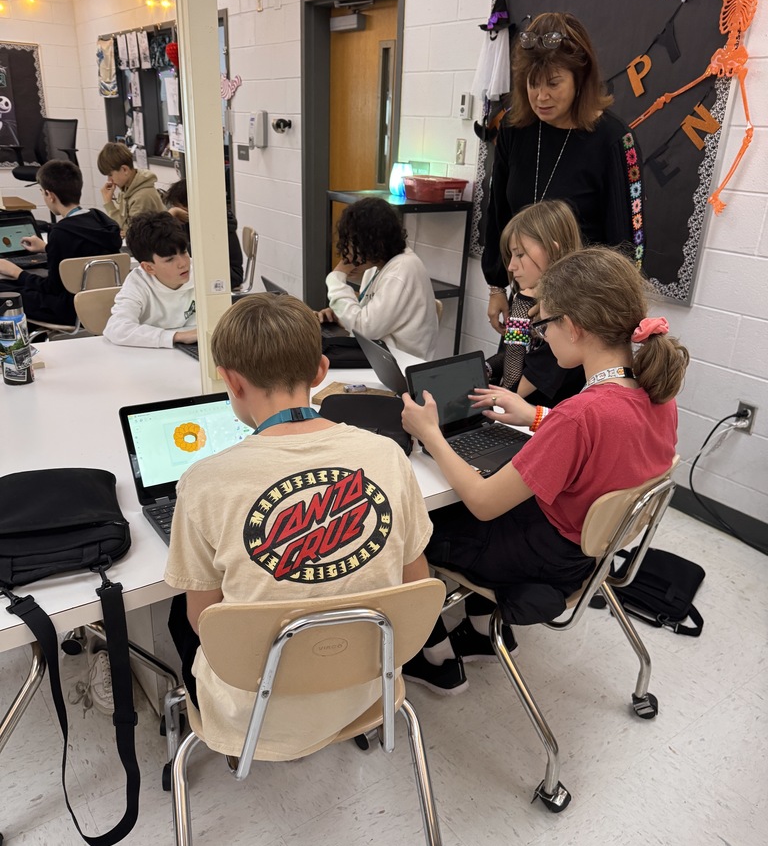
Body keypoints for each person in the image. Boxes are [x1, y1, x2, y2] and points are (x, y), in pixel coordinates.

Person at [400, 247, 688, 694]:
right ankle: (480, 632)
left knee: (413, 521)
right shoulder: (655, 392)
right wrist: (534, 416)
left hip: (544, 559)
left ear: (573, 327)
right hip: (587, 553)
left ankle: (432, 653)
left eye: (545, 324)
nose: (543, 335)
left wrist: (432, 434)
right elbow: (608, 438)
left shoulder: (580, 415)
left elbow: (482, 502)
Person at [164, 293, 433, 761]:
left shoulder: (203, 482)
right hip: (369, 689)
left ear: (230, 379)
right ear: (321, 372)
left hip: (252, 713)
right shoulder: (388, 456)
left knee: (176, 610)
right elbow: (416, 585)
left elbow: (202, 624)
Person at [483, 12, 645, 336]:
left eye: (553, 84)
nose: (541, 96)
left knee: (555, 385)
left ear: (580, 79)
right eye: (532, 83)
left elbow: (628, 245)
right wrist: (497, 285)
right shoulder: (516, 129)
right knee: (510, 379)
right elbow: (498, 211)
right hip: (524, 296)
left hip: (582, 313)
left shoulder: (614, 140)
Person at [486, 199, 584, 406]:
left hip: (538, 425)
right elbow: (515, 356)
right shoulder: (534, 298)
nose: (511, 266)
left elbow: (513, 387)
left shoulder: (564, 321)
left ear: (553, 251)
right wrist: (484, 369)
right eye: (510, 255)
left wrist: (521, 307)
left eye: (520, 255)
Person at [0, 159, 121, 326]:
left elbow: (52, 288)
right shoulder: (102, 221)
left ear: (50, 195)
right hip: (106, 303)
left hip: (69, 310)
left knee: (6, 290)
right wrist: (47, 248)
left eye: (42, 192)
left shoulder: (61, 232)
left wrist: (16, 273)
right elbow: (83, 250)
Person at [320, 196, 439, 359]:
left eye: (352, 242)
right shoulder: (376, 268)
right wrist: (340, 315)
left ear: (374, 242)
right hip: (382, 357)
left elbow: (364, 329)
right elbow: (365, 317)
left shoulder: (401, 271)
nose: (347, 251)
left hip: (404, 366)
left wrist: (336, 276)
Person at [103, 212, 196, 348]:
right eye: (170, 259)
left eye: (184, 252)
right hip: (149, 356)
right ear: (148, 268)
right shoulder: (138, 283)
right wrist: (177, 337)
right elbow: (117, 328)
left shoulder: (200, 273)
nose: (183, 263)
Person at [162, 178, 244, 290]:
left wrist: (171, 215)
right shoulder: (189, 221)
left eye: (178, 208)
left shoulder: (216, 224)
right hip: (206, 273)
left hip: (228, 276)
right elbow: (160, 237)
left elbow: (192, 254)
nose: (178, 211)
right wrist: (171, 215)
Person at [96, 141, 165, 234]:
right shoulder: (126, 189)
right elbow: (123, 227)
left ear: (125, 170)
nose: (109, 180)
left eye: (110, 175)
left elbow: (132, 234)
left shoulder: (142, 196)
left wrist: (109, 204)